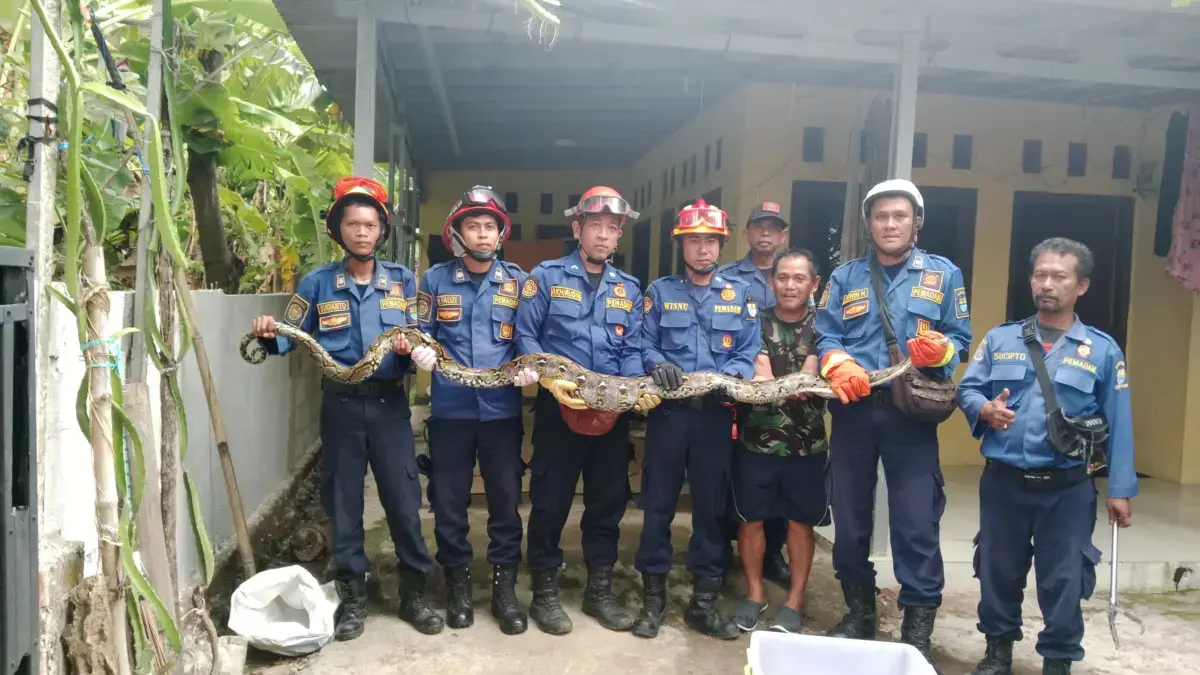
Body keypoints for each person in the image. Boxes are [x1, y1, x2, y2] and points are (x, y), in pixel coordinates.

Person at [249, 176, 442, 639]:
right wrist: (267, 333)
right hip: (340, 408)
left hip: (389, 406)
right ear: (338, 229)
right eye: (353, 223)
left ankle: (414, 593)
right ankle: (352, 597)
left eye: (370, 225)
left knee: (404, 502)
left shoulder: (402, 280)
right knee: (344, 504)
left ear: (381, 230)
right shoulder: (317, 284)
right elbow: (287, 337)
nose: (361, 232)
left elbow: (418, 332)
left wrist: (414, 348)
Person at [957, 238, 1136, 675]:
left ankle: (1058, 659)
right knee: (998, 569)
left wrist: (1119, 489)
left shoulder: (1102, 350)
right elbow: (968, 388)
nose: (1047, 284)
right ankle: (997, 651)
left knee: (1065, 578)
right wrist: (984, 409)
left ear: (1082, 285)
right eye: (1040, 275)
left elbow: (1120, 420)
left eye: (1059, 276)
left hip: (1067, 489)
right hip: (1004, 482)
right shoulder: (1000, 338)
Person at [814, 178, 972, 671]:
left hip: (911, 415)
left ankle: (916, 633)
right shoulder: (845, 277)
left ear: (916, 222)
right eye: (880, 216)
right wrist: (838, 361)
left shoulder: (943, 274)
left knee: (916, 521)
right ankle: (860, 614)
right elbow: (825, 333)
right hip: (854, 410)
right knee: (850, 519)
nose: (889, 224)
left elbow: (961, 337)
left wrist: (941, 350)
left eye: (899, 215)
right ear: (869, 223)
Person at [514, 186, 649, 635]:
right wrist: (547, 379)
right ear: (578, 229)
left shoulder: (628, 288)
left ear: (619, 235)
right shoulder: (546, 277)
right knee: (550, 502)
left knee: (607, 503)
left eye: (612, 228)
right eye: (595, 226)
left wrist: (636, 389)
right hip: (559, 409)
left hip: (611, 415)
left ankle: (599, 592)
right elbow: (525, 336)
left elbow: (632, 349)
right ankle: (545, 594)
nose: (604, 235)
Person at [409, 186, 540, 635]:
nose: (482, 234)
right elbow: (421, 330)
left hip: (502, 411)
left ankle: (505, 592)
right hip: (451, 412)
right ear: (457, 233)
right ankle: (458, 588)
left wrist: (529, 364)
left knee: (506, 501)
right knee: (449, 503)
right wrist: (421, 352)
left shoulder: (519, 282)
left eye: (489, 226)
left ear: (500, 234)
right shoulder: (435, 280)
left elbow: (526, 335)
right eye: (473, 226)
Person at [633, 199, 760, 641]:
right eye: (694, 241)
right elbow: (643, 343)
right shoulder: (660, 292)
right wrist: (656, 364)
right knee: (657, 507)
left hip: (714, 418)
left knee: (710, 510)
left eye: (710, 241)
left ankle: (703, 603)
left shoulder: (740, 295)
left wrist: (734, 376)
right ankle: (653, 601)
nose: (702, 249)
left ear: (721, 244)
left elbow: (748, 350)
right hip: (669, 416)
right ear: (681, 245)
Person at [728, 249, 830, 634]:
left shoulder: (826, 327)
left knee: (800, 523)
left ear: (813, 284)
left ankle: (795, 600)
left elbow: (820, 367)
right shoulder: (753, 322)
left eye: (799, 278)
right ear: (771, 282)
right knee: (750, 520)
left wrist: (806, 375)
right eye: (783, 277)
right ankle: (755, 593)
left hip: (807, 445)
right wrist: (781, 381)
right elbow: (759, 370)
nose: (790, 285)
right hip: (756, 441)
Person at [716, 201, 793, 586]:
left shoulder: (795, 276)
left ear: (783, 235)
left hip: (783, 396)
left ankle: (772, 552)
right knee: (728, 469)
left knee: (777, 473)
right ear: (746, 233)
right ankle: (722, 546)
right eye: (758, 226)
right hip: (735, 389)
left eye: (773, 227)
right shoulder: (726, 277)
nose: (765, 233)